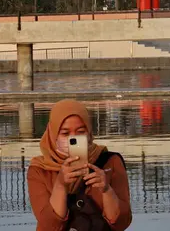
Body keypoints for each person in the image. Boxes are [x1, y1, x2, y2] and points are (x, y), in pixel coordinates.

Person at [27, 99, 132, 231]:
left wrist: (106, 190)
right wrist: (61, 185)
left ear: (89, 133)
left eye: (80, 132)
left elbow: (122, 222)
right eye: (65, 133)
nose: (73, 138)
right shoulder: (39, 169)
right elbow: (49, 226)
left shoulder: (110, 161)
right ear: (53, 135)